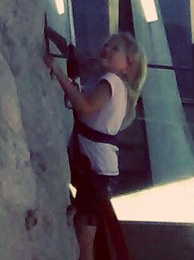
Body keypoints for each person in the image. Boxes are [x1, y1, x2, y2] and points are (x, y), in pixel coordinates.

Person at [44, 31, 148, 260]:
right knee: (85, 241)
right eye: (107, 45)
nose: (107, 49)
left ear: (127, 66)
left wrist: (57, 72)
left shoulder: (110, 82)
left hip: (94, 173)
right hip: (98, 172)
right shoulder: (117, 87)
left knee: (85, 246)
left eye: (115, 49)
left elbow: (85, 107)